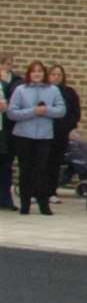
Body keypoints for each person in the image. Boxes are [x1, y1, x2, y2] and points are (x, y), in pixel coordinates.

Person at [7, 61, 65, 214]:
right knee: (25, 169)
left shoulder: (53, 90)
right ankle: (25, 203)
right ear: (29, 74)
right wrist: (32, 111)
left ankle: (43, 203)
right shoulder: (21, 90)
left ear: (44, 74)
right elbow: (12, 113)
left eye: (40, 71)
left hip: (44, 136)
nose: (37, 74)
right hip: (23, 135)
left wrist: (46, 110)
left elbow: (61, 110)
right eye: (33, 71)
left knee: (42, 170)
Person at [46, 64, 81, 198]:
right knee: (42, 162)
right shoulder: (44, 91)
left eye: (59, 75)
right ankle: (38, 190)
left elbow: (75, 113)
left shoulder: (69, 93)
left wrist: (68, 128)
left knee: (55, 163)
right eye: (53, 74)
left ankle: (51, 191)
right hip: (44, 132)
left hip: (61, 133)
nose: (56, 77)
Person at [0, 53, 19, 209]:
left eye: (8, 64)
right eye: (3, 63)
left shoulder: (16, 82)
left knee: (6, 166)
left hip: (8, 131)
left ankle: (5, 199)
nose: (5, 67)